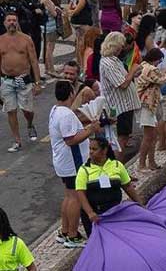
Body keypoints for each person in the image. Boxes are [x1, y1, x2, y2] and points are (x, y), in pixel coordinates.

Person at [49, 80, 98, 248]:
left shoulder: (55, 111)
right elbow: (71, 140)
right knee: (76, 198)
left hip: (63, 162)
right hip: (72, 162)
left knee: (69, 196)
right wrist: (90, 130)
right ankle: (72, 235)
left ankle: (64, 231)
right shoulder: (66, 115)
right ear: (71, 94)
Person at [75, 136, 144, 237]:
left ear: (104, 150)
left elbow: (128, 187)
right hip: (96, 216)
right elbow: (80, 194)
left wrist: (140, 204)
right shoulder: (84, 170)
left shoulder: (117, 165)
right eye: (90, 149)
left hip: (115, 212)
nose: (90, 152)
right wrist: (90, 213)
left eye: (94, 149)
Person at [97, 32, 143, 161]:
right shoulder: (108, 63)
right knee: (120, 140)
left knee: (123, 137)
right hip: (119, 107)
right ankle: (118, 168)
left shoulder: (114, 60)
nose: (122, 49)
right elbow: (122, 84)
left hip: (125, 105)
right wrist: (132, 71)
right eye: (120, 46)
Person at [0, 12, 42, 152]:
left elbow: (34, 61)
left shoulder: (26, 39)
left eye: (14, 20)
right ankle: (17, 140)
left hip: (22, 79)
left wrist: (37, 82)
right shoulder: (1, 40)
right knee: (11, 110)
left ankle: (30, 124)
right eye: (9, 20)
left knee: (27, 110)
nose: (12, 22)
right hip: (7, 80)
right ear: (4, 23)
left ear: (17, 22)